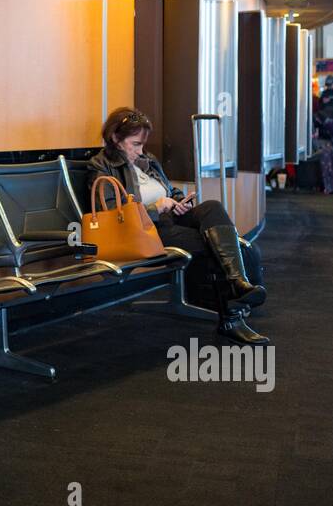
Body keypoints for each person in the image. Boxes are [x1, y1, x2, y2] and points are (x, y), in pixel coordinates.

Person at [87, 108, 268, 346]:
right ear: (115, 138)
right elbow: (110, 212)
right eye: (135, 144)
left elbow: (170, 191)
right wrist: (156, 209)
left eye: (143, 144)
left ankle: (238, 282)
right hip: (146, 231)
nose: (141, 150)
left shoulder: (147, 160)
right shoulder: (100, 166)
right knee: (214, 244)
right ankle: (231, 318)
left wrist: (180, 201)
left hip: (170, 220)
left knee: (211, 206)